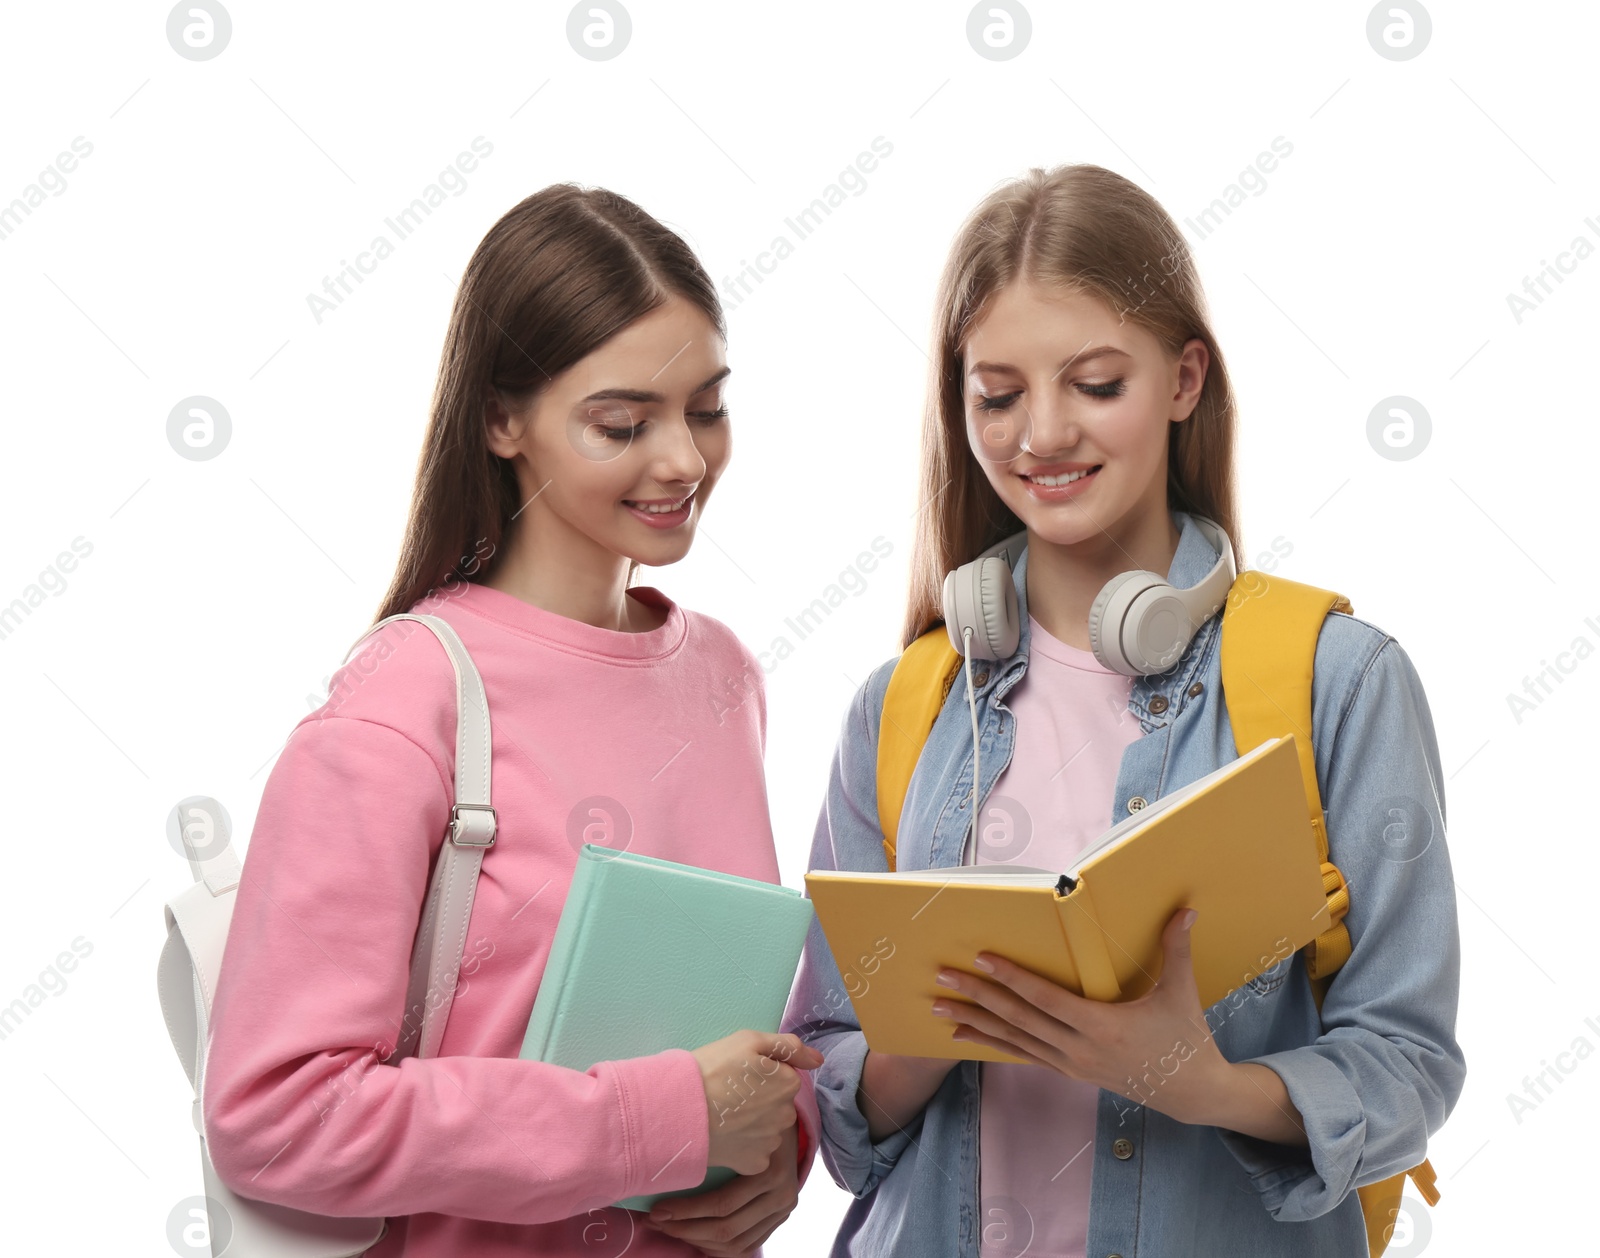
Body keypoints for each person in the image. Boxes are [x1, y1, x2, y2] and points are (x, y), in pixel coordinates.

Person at [782, 163, 1466, 1257]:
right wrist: (917, 1044)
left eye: (1095, 383)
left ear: (1185, 378)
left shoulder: (1339, 681)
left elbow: (1408, 1064)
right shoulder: (903, 703)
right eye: (995, 395)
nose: (1040, 434)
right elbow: (827, 1069)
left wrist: (1207, 1085)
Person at [203, 183, 822, 1258]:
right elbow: (274, 1116)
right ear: (501, 421)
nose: (682, 459)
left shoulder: (722, 674)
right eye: (622, 422)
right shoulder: (407, 701)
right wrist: (659, 1122)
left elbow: (731, 1021)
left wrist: (776, 1157)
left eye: (707, 407)